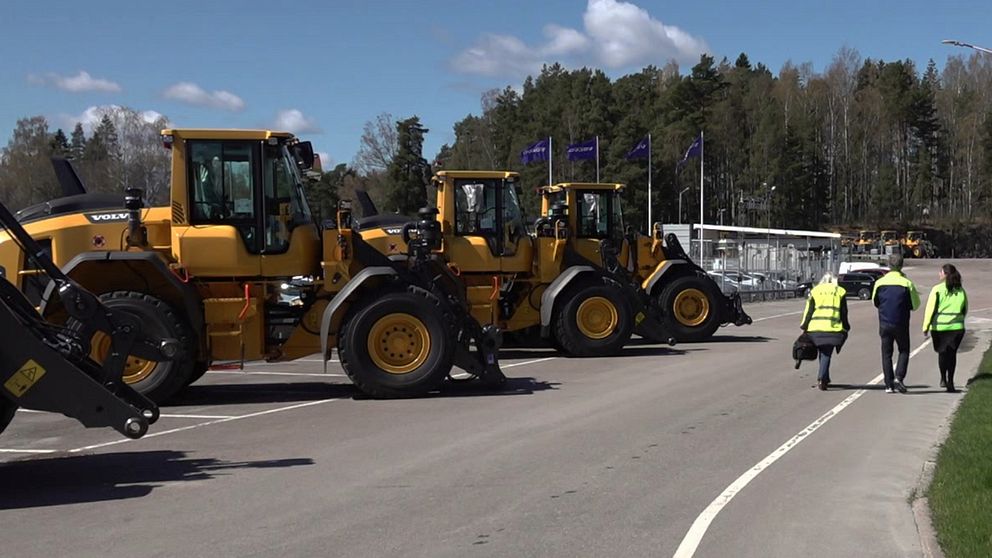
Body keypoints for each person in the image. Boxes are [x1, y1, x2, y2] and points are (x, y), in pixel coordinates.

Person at [872, 253, 920, 393]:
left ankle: (888, 384)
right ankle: (899, 376)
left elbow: (875, 302)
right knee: (903, 350)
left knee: (886, 353)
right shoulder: (907, 283)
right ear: (901, 266)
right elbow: (915, 305)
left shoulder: (880, 282)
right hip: (901, 323)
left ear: (889, 265)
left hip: (885, 323)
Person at [801, 272, 851, 391]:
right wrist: (846, 326)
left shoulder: (815, 291)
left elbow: (809, 311)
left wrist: (804, 325)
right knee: (826, 353)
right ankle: (822, 378)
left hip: (815, 328)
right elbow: (843, 312)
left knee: (822, 352)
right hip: (832, 328)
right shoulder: (840, 291)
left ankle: (825, 377)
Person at [922, 264, 967, 393]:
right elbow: (965, 308)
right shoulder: (960, 290)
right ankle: (950, 381)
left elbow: (930, 309)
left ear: (945, 274)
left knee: (942, 353)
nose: (939, 274)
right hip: (957, 327)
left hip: (939, 327)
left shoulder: (937, 289)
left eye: (941, 272)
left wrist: (926, 326)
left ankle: (943, 378)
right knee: (952, 354)